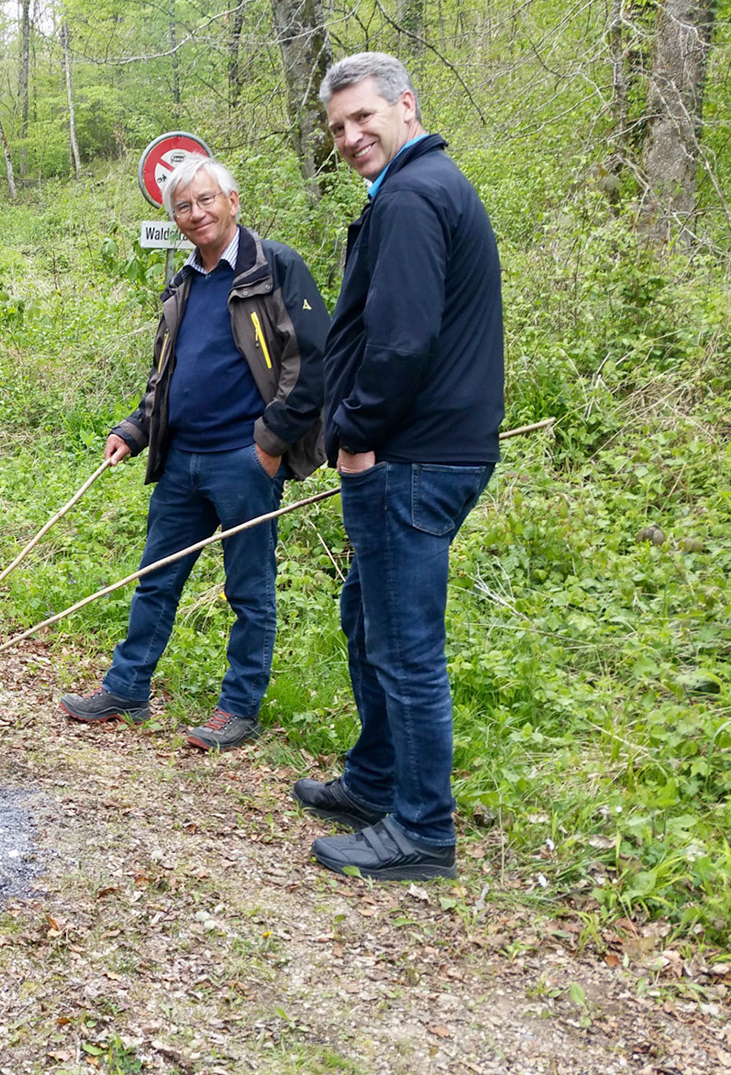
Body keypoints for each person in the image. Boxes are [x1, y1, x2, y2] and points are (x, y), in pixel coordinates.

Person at [292, 52, 504, 881]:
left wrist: (352, 432)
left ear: (405, 107)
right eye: (338, 126)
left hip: (411, 457)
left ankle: (421, 830)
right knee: (366, 617)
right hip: (422, 449)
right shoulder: (423, 188)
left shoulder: (415, 196)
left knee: (405, 645)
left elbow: (405, 340)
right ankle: (378, 778)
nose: (349, 137)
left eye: (363, 118)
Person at [59, 155, 329, 750]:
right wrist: (137, 429)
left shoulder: (275, 266)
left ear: (233, 200)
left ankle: (238, 707)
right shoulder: (183, 280)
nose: (195, 213)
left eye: (206, 200)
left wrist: (271, 442)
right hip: (182, 459)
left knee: (248, 589)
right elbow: (169, 373)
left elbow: (311, 362)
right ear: (173, 217)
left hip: (246, 459)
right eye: (183, 206)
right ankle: (127, 688)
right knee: (156, 578)